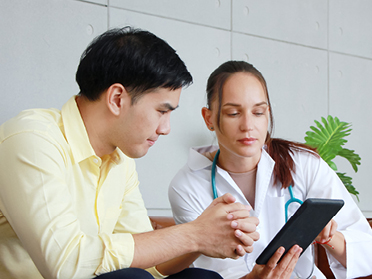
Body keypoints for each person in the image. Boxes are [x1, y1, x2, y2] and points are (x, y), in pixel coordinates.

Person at [0, 28, 259, 279]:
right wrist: (193, 234)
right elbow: (65, 265)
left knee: (201, 277)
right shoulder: (31, 140)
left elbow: (149, 264)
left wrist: (205, 236)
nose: (166, 129)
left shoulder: (119, 160)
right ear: (116, 99)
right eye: (161, 111)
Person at [168, 60, 372, 279]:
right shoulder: (187, 185)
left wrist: (328, 237)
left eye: (258, 112)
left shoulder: (304, 164)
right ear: (209, 118)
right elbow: (212, 273)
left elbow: (367, 253)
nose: (248, 125)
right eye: (233, 113)